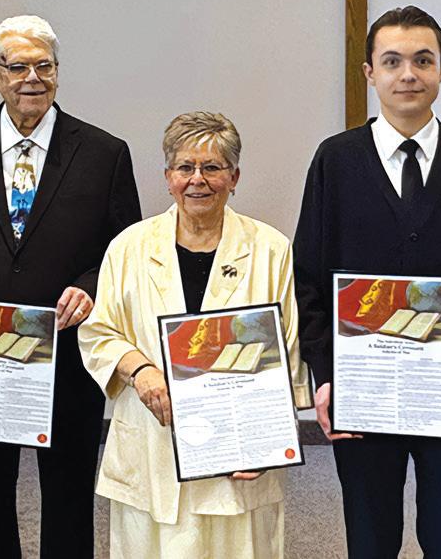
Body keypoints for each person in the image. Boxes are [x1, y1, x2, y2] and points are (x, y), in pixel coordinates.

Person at [0, 15, 141, 559]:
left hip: (67, 349)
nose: (33, 78)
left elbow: (124, 249)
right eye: (18, 67)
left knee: (68, 493)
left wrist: (90, 286)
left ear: (58, 72)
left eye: (45, 66)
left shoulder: (104, 153)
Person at [293, 6, 441, 559]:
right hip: (363, 384)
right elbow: (308, 279)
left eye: (423, 60)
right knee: (370, 534)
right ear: (370, 73)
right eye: (392, 61)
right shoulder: (336, 160)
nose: (408, 74)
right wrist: (326, 375)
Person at [78, 111, 310, 558]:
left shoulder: (270, 249)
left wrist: (269, 442)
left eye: (212, 167)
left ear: (234, 177)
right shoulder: (129, 247)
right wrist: (140, 371)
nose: (197, 180)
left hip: (238, 448)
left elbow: (289, 345)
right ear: (168, 177)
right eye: (185, 167)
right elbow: (99, 331)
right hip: (151, 438)